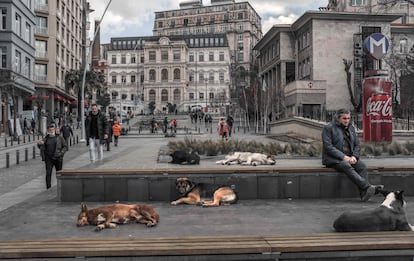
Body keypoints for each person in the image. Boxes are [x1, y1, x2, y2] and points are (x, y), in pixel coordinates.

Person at [322, 108, 383, 201]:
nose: (347, 121)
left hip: (350, 158)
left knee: (361, 166)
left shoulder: (351, 128)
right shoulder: (329, 128)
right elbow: (328, 147)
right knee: (346, 166)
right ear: (338, 118)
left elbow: (357, 145)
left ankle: (364, 194)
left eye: (348, 118)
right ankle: (367, 187)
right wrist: (343, 157)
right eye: (344, 118)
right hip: (333, 159)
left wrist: (354, 156)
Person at [37, 124, 68, 189]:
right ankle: (48, 188)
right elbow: (41, 146)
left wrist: (61, 153)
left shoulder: (59, 138)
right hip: (48, 159)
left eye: (52, 130)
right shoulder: (46, 138)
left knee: (59, 173)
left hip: (58, 158)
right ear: (48, 131)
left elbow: (65, 146)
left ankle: (60, 187)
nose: (51, 131)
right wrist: (39, 144)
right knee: (48, 173)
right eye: (50, 130)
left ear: (54, 130)